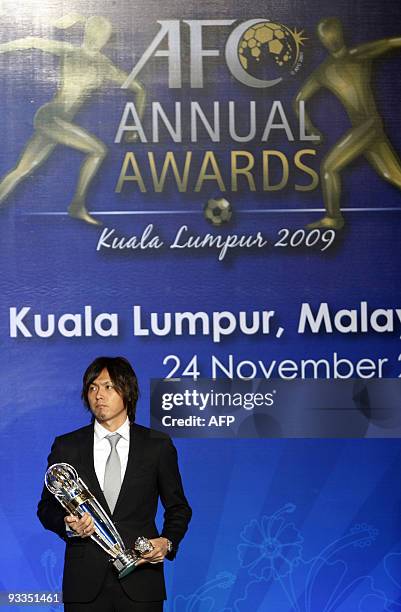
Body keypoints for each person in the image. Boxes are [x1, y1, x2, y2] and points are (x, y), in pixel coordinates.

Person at [37, 356, 191, 612]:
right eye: (93, 387)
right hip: (84, 584)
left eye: (109, 386)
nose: (99, 395)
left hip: (142, 582)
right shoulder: (67, 446)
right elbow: (46, 508)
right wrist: (68, 526)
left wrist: (167, 542)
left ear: (128, 392)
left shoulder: (157, 445)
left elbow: (179, 508)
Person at [0, 14, 145, 225]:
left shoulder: (104, 66)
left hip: (58, 121)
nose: (98, 39)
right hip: (51, 116)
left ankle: (76, 206)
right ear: (88, 34)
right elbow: (32, 41)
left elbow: (139, 89)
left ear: (105, 39)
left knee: (21, 170)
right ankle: (77, 206)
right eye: (95, 34)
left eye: (102, 35)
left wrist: (135, 126)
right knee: (98, 151)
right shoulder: (70, 51)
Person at [294, 17, 401, 229]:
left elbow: (390, 43)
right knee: (393, 175)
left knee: (329, 168)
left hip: (368, 125)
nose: (331, 39)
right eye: (327, 36)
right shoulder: (323, 72)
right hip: (367, 129)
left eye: (333, 34)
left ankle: (333, 218)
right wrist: (310, 128)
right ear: (323, 39)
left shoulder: (358, 55)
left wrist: (310, 128)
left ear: (340, 34)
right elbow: (299, 101)